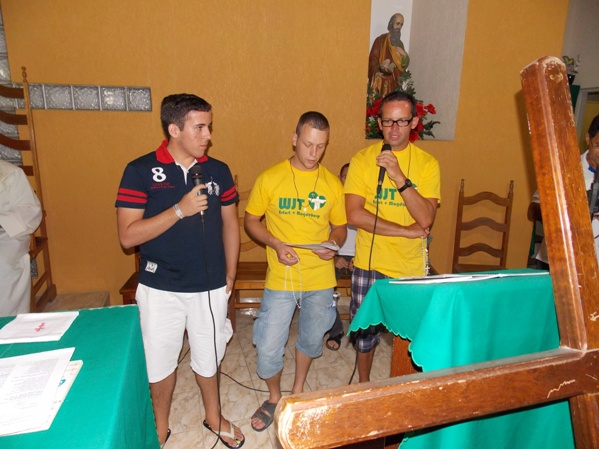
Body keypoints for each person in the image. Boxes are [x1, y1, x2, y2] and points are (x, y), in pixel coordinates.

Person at [115, 94, 244, 448]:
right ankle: (160, 425)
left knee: (209, 357)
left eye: (209, 127)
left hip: (210, 286)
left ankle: (214, 416)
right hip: (160, 288)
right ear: (174, 129)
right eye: (199, 127)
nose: (208, 135)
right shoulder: (140, 170)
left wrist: (231, 273)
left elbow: (230, 224)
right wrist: (179, 210)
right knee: (159, 363)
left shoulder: (217, 171)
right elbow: (127, 236)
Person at [244, 111, 347, 431]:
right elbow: (251, 221)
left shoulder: (331, 184)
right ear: (294, 139)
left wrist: (333, 242)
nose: (313, 153)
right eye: (307, 144)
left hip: (320, 277)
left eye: (321, 146)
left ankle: (298, 389)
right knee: (268, 345)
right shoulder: (270, 178)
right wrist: (275, 243)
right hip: (282, 277)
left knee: (311, 339)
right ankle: (274, 397)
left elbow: (340, 227)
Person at [345, 90, 441, 383]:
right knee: (364, 334)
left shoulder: (427, 164)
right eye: (388, 121)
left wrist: (399, 176)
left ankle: (404, 386)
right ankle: (364, 386)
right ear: (379, 123)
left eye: (402, 121)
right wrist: (404, 230)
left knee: (409, 334)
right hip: (369, 262)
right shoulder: (362, 160)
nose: (394, 128)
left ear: (414, 123)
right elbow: (354, 215)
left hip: (408, 265)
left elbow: (425, 218)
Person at [531, 114, 599, 268]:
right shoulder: (565, 169)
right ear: (588, 139)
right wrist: (571, 213)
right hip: (559, 260)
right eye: (598, 145)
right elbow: (534, 209)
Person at [0, 160, 42, 317]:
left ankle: (8, 322)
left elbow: (30, 210)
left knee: (3, 263)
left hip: (7, 234)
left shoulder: (10, 173)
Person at [325, 162, 357, 351]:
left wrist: (359, 258)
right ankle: (335, 329)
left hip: (360, 256)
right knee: (323, 289)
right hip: (334, 254)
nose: (349, 181)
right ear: (340, 179)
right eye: (346, 177)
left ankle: (360, 330)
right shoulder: (332, 200)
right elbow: (321, 233)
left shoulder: (366, 202)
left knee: (368, 288)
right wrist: (334, 257)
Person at [368, 13, 410, 99]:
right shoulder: (380, 40)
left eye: (401, 25)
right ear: (391, 24)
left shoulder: (399, 44)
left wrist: (404, 55)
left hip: (395, 81)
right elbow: (373, 59)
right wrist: (377, 70)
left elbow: (403, 65)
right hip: (381, 80)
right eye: (397, 23)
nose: (399, 27)